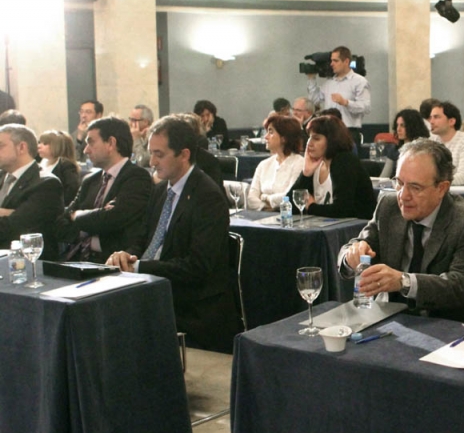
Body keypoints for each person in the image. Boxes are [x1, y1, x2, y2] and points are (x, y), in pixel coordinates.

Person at [106, 116, 241, 353]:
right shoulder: (160, 191)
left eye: (159, 154)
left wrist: (139, 267)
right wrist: (127, 254)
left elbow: (197, 267)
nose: (152, 161)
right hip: (153, 287)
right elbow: (143, 238)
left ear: (184, 154)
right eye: (150, 153)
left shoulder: (207, 197)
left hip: (191, 305)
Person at [338, 138, 464, 323]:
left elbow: (463, 285)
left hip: (447, 324)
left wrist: (404, 282)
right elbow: (358, 245)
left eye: (415, 187)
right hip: (391, 318)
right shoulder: (388, 206)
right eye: (399, 183)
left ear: (442, 188)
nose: (403, 195)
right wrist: (351, 255)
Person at [59, 117, 152, 262]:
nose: (86, 150)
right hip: (77, 258)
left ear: (110, 143)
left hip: (112, 264)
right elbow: (62, 222)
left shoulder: (137, 178)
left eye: (91, 142)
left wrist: (76, 216)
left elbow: (112, 219)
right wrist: (90, 217)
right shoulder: (90, 180)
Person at [286, 115, 376, 219]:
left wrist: (311, 207)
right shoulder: (317, 164)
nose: (309, 143)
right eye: (309, 137)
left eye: (316, 139)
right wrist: (306, 173)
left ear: (332, 140)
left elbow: (342, 210)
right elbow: (288, 206)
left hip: (355, 229)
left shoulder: (344, 160)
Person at [0, 124, 63, 260]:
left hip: (28, 266)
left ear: (21, 147)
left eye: (1, 145)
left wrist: (11, 215)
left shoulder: (46, 183)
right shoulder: (2, 177)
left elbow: (13, 228)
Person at [307, 46, 371, 146]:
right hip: (328, 132)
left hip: (348, 132)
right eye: (331, 60)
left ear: (346, 61)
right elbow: (315, 100)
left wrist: (346, 103)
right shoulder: (329, 83)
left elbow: (365, 108)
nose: (331, 64)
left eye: (335, 61)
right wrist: (311, 79)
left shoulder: (359, 81)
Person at [247, 114, 305, 211]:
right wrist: (265, 208)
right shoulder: (264, 164)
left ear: (284, 138)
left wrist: (265, 197)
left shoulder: (299, 163)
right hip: (261, 217)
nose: (266, 137)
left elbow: (289, 196)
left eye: (271, 132)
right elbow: (251, 198)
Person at [428, 102, 464, 186]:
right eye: (430, 117)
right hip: (441, 191)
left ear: (451, 121)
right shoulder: (431, 142)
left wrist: (430, 183)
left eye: (436, 117)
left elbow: (463, 178)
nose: (431, 121)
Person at [38, 129, 80, 205]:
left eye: (45, 143)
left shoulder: (65, 165)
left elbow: (72, 190)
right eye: (40, 143)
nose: (39, 146)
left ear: (57, 146)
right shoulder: (42, 162)